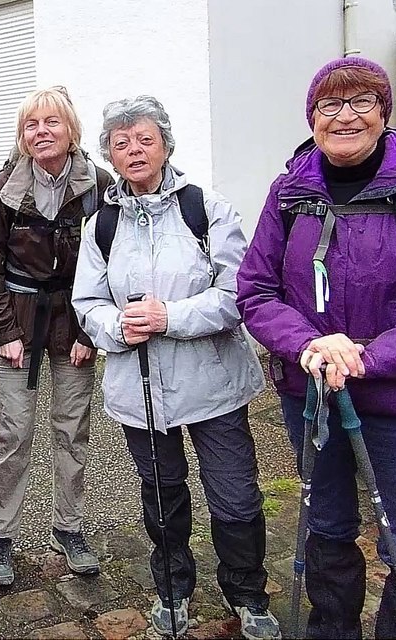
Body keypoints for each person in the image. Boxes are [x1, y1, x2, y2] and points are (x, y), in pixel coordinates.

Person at [236, 56, 396, 639]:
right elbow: (255, 291)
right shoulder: (289, 192)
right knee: (328, 525)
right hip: (310, 391)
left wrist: (366, 356)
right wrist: (309, 343)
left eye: (362, 102)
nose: (345, 116)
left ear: (385, 112)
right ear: (312, 119)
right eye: (329, 105)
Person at [71, 96, 280, 639]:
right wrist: (118, 327)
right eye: (121, 143)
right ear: (109, 155)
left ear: (166, 144)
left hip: (214, 383)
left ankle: (247, 593)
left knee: (235, 495)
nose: (134, 150)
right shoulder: (101, 225)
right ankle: (172, 588)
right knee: (162, 496)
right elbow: (87, 304)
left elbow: (239, 294)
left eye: (145, 139)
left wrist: (170, 317)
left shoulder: (206, 210)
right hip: (138, 389)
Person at [0, 85, 114, 587]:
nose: (42, 132)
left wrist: (92, 330)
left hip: (75, 320)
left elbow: (114, 261)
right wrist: (4, 329)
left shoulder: (99, 184)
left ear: (72, 130)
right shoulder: (2, 189)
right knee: (13, 433)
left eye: (52, 122)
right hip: (20, 324)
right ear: (21, 135)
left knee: (72, 430)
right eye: (32, 124)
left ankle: (69, 527)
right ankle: (0, 535)